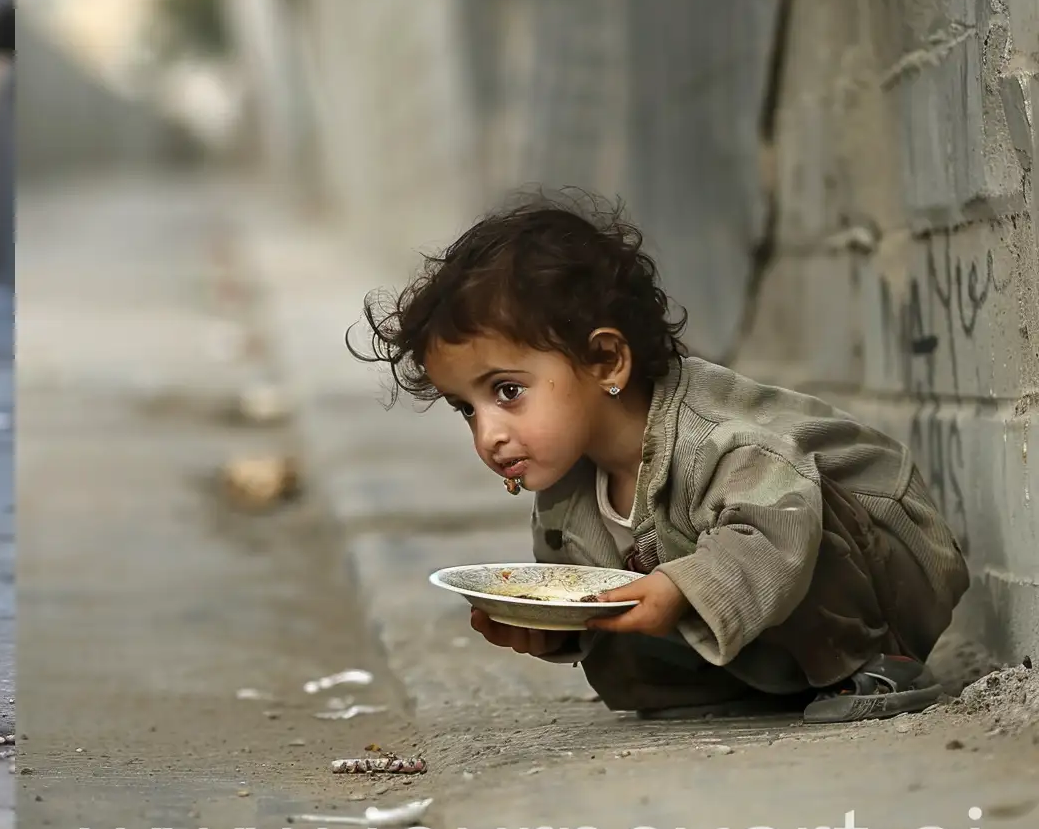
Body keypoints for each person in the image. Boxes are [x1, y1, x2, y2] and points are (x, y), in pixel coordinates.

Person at [352, 194, 969, 722]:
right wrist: (553, 626)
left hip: (881, 558)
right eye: (468, 408)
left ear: (605, 362)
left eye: (507, 392)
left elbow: (776, 526)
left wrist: (681, 586)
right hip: (774, 560)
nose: (488, 433)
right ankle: (747, 678)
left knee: (766, 529)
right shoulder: (569, 488)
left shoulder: (715, 437)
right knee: (630, 642)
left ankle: (876, 661)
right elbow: (600, 592)